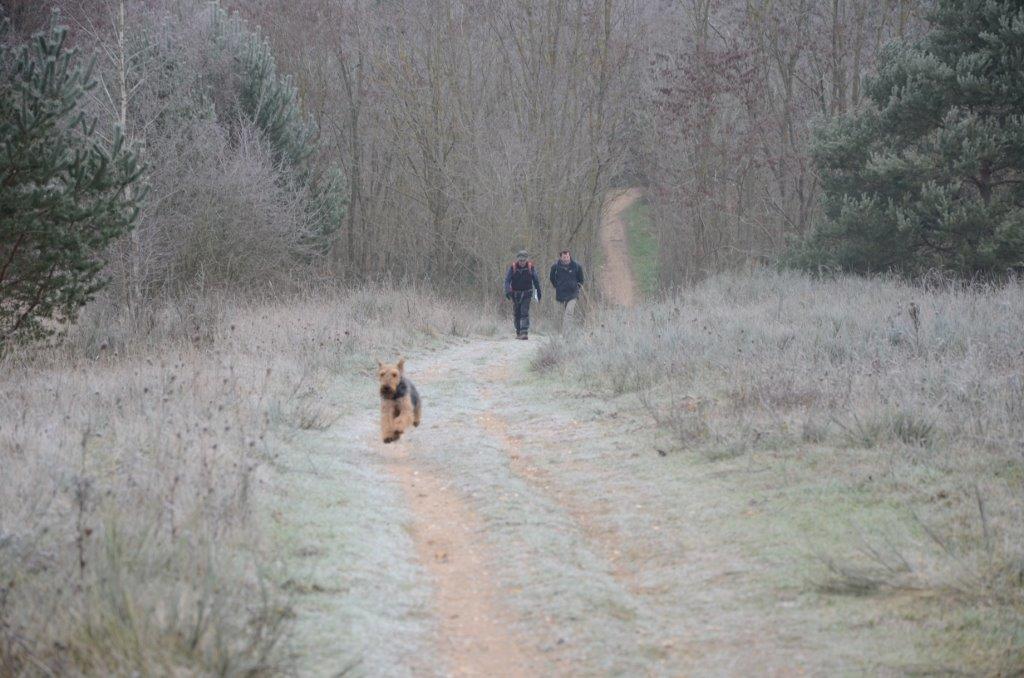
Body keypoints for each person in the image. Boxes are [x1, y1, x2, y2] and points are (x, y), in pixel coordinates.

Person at [504, 250, 542, 340]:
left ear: (526, 260)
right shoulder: (513, 268)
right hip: (515, 294)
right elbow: (507, 280)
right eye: (520, 260)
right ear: (518, 260)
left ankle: (524, 332)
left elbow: (536, 280)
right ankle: (518, 332)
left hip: (527, 293)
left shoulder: (530, 267)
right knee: (517, 313)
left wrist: (538, 292)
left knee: (524, 312)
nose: (522, 262)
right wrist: (507, 291)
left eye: (523, 260)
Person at [549, 248, 584, 333]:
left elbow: (581, 280)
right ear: (561, 257)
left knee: (569, 313)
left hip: (573, 294)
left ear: (569, 256)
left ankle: (566, 333)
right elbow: (552, 278)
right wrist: (556, 286)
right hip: (560, 293)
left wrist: (577, 288)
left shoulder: (577, 266)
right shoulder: (555, 267)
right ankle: (557, 332)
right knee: (558, 314)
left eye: (567, 256)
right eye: (564, 257)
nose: (566, 259)